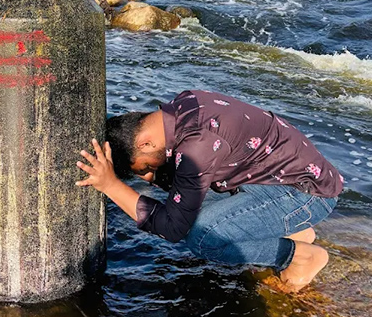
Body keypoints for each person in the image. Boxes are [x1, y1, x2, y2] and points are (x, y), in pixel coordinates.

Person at [76, 89, 343, 292]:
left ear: (145, 143)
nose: (148, 177)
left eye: (145, 168)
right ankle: (292, 230)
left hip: (307, 195)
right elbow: (184, 184)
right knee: (186, 203)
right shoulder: (179, 109)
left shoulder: (197, 146)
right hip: (276, 179)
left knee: (204, 238)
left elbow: (173, 229)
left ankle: (299, 257)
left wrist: (111, 186)